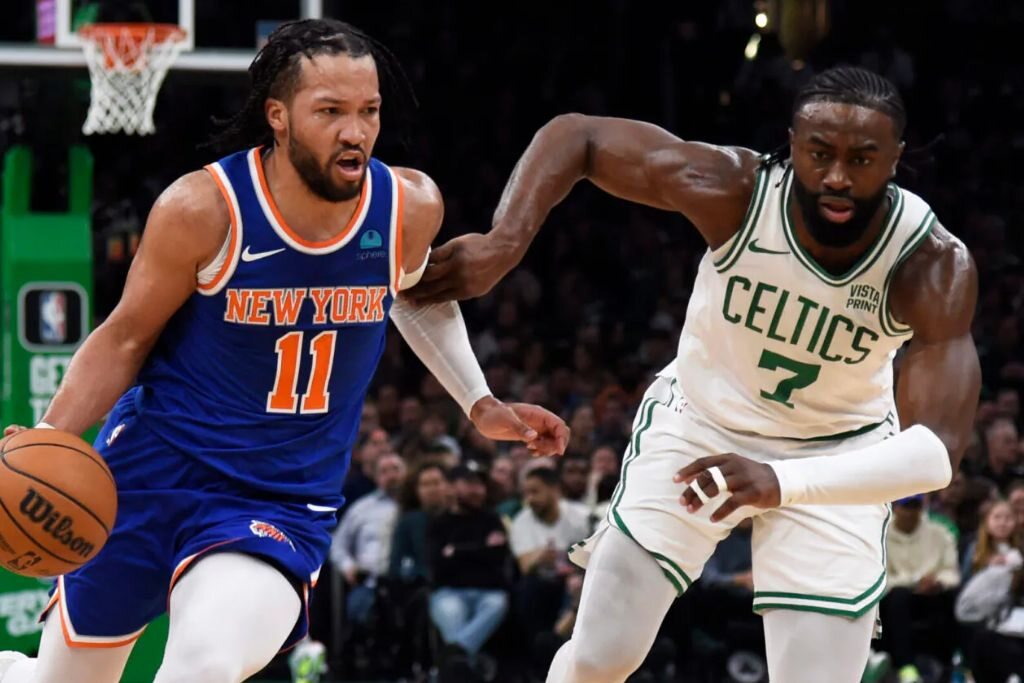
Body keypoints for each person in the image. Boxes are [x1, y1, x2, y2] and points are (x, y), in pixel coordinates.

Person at [0, 19, 567, 683]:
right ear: (279, 116)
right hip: (150, 474)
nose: (355, 132)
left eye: (369, 111)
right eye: (331, 112)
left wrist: (479, 400)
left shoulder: (407, 206)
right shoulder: (203, 209)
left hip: (278, 500)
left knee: (202, 665)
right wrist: (42, 439)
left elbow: (412, 294)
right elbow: (125, 336)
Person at [411, 66, 981, 682]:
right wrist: (505, 241)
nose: (838, 177)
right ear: (791, 146)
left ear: (895, 159)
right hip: (700, 425)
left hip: (835, 456)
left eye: (862, 159)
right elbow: (578, 136)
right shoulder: (736, 189)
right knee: (601, 657)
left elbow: (935, 453)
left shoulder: (930, 262)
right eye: (820, 154)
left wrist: (781, 480)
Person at [880, 495, 961, 682]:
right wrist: (915, 581)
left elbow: (952, 573)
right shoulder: (881, 534)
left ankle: (949, 664)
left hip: (932, 595)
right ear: (895, 508)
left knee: (952, 596)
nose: (911, 512)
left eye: (915, 506)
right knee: (899, 597)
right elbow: (880, 580)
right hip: (893, 599)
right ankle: (905, 666)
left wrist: (938, 582)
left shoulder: (939, 533)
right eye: (906, 506)